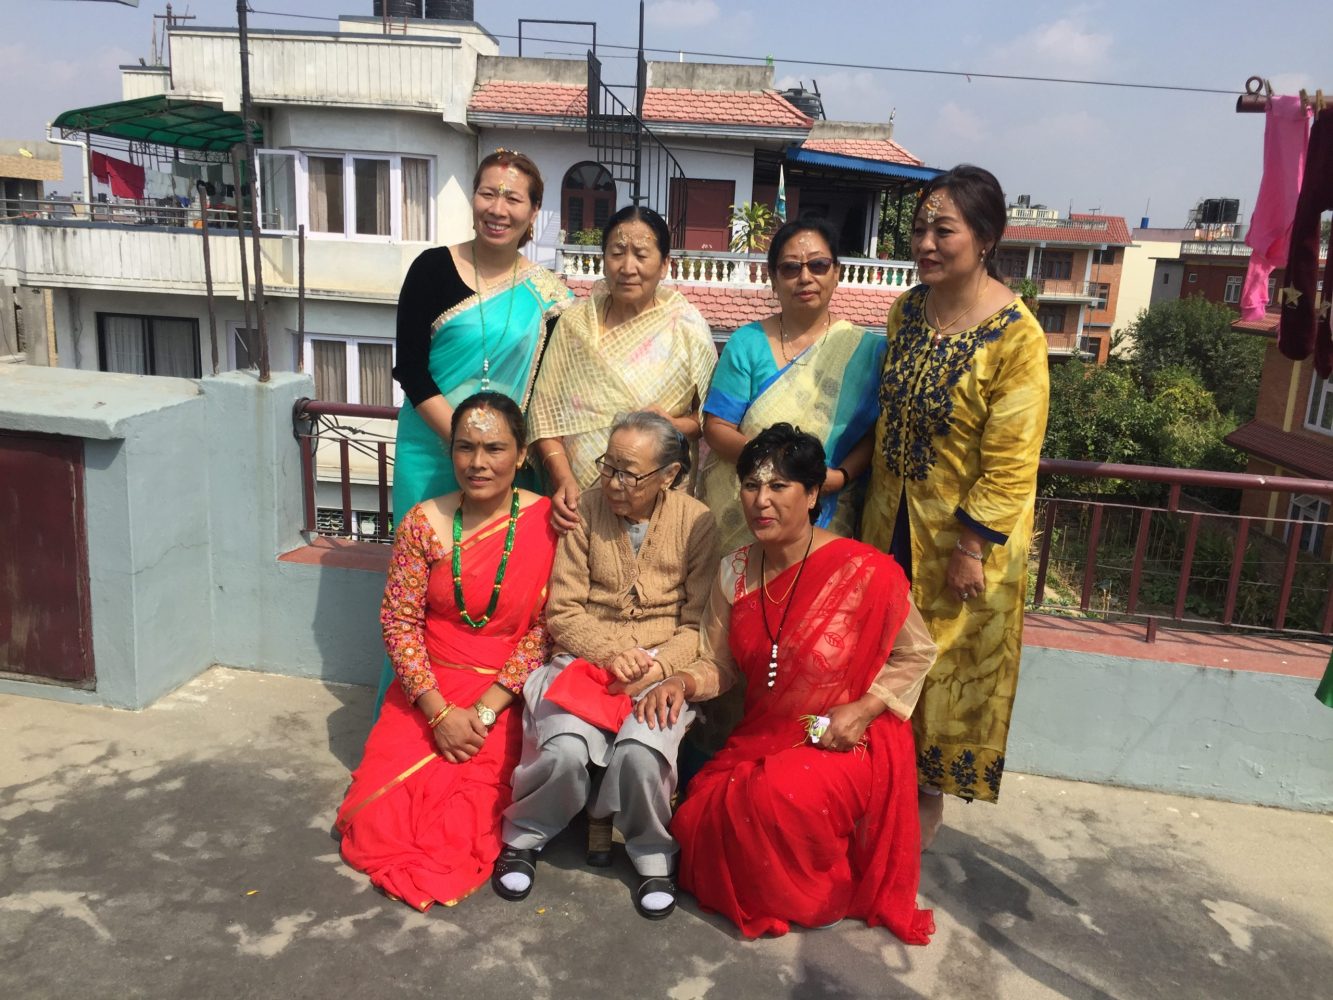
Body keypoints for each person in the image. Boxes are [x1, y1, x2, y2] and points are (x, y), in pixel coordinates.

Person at [637, 424, 937, 940]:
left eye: (779, 487)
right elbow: (720, 663)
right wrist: (682, 682)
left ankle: (819, 889)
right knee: (698, 817)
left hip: (845, 738)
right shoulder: (735, 571)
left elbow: (919, 651)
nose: (761, 500)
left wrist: (864, 708)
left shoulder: (865, 571)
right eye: (751, 485)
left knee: (778, 796)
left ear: (813, 493)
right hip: (766, 734)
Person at [861, 164, 1050, 846]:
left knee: (935, 692)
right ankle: (867, 827)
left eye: (943, 230)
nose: (926, 244)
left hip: (964, 550)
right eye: (918, 229)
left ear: (986, 238)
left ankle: (908, 850)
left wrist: (972, 545)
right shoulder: (905, 310)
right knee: (873, 673)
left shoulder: (1016, 335)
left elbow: (1010, 460)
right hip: (887, 526)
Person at [336, 393, 559, 912]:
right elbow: (399, 621)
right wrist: (438, 713)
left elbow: (548, 628)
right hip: (427, 689)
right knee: (376, 821)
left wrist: (483, 710)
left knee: (459, 825)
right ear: (451, 451)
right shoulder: (422, 523)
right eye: (465, 447)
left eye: (495, 448)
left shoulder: (550, 523)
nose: (478, 463)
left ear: (522, 455)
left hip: (505, 693)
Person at [493, 412, 719, 920]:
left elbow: (698, 622)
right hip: (586, 657)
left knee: (643, 754)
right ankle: (525, 837)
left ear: (670, 475)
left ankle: (652, 854)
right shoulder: (584, 510)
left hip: (660, 665)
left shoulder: (697, 521)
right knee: (565, 749)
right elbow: (564, 610)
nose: (614, 483)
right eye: (608, 467)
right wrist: (610, 652)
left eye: (629, 473)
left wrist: (658, 669)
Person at [375, 149, 571, 712]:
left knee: (500, 588)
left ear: (533, 213)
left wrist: (498, 452)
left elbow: (553, 387)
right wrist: (464, 442)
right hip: (429, 450)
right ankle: (414, 712)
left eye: (514, 198)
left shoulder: (549, 294)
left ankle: (491, 711)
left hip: (508, 462)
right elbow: (409, 367)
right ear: (473, 200)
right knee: (417, 590)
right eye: (488, 193)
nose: (498, 208)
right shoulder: (431, 269)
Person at [697, 218, 886, 554]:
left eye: (818, 265)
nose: (805, 277)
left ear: (836, 272)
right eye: (789, 268)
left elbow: (873, 434)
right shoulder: (747, 342)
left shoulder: (866, 351)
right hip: (747, 506)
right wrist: (778, 468)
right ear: (772, 278)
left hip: (826, 506)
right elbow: (717, 427)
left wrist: (840, 476)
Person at [528, 205, 717, 532]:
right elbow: (544, 418)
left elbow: (709, 420)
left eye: (641, 255)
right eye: (617, 252)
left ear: (665, 264)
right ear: (604, 258)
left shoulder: (686, 326)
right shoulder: (575, 325)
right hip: (581, 503)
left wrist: (671, 423)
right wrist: (564, 480)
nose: (628, 267)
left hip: (660, 501)